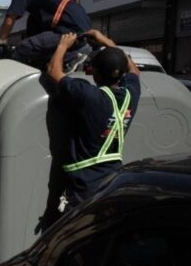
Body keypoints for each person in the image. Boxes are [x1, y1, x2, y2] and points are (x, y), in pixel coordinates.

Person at [46, 29, 141, 207]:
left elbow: (53, 71)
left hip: (83, 185)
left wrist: (63, 45)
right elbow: (134, 70)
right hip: (112, 179)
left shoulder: (88, 96)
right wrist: (106, 41)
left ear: (95, 73)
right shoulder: (131, 95)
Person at [0, 0, 92, 71]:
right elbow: (37, 38)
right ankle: (72, 56)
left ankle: (71, 58)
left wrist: (1, 42)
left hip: (70, 31)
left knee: (23, 47)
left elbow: (10, 18)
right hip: (83, 32)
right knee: (39, 49)